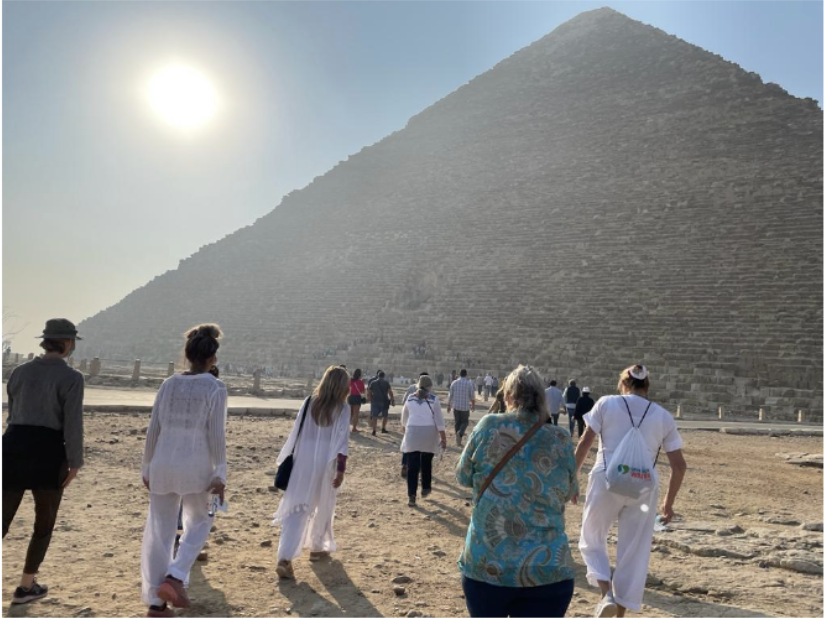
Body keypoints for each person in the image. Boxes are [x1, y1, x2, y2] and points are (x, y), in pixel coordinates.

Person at [456, 365, 577, 617]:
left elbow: (463, 475)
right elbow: (568, 491)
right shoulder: (561, 438)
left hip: (488, 565)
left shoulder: (489, 426)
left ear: (508, 396)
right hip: (548, 569)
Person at [576, 365, 687, 617]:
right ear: (647, 386)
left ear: (622, 383)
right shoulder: (662, 416)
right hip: (644, 487)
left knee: (591, 538)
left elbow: (584, 444)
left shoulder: (606, 403)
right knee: (634, 552)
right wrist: (668, 504)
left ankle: (606, 595)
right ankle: (620, 614)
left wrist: (572, 478)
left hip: (606, 480)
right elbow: (679, 466)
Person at [141, 324, 228, 618]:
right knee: (200, 523)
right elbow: (216, 435)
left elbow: (154, 429)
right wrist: (221, 472)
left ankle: (156, 603)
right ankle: (175, 576)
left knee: (159, 531)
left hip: (162, 464)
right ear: (212, 358)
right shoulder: (215, 388)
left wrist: (146, 466)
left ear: (187, 354)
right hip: (197, 467)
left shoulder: (168, 384)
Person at [3, 318, 84, 605]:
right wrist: (75, 462)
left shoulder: (19, 372)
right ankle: (26, 587)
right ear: (66, 343)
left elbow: (13, 412)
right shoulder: (72, 378)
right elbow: (73, 424)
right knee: (44, 523)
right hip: (49, 452)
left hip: (13, 446)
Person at [273, 366, 351, 580]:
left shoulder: (309, 402)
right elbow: (342, 442)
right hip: (327, 463)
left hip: (302, 462)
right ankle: (317, 547)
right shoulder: (342, 408)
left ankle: (284, 558)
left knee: (297, 508)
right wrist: (341, 470)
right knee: (324, 504)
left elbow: (294, 433)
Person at [401, 375, 447, 507]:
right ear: (429, 387)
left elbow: (404, 419)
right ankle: (426, 487)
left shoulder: (410, 398)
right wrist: (443, 437)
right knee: (426, 462)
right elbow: (439, 421)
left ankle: (411, 495)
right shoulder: (434, 399)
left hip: (413, 433)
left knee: (412, 466)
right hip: (429, 433)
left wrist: (407, 432)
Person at [400, 372, 432, 478]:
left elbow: (404, 402)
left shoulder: (411, 389)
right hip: (423, 424)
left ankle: (405, 464)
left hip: (410, 423)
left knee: (408, 445)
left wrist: (403, 424)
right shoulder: (429, 393)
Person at [447, 369, 476, 447]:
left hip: (456, 406)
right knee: (465, 422)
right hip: (465, 407)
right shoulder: (469, 384)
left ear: (459, 374)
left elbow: (450, 396)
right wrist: (473, 405)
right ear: (466, 375)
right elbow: (472, 396)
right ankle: (459, 434)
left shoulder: (454, 383)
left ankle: (458, 440)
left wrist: (448, 405)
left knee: (457, 422)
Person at [367, 370, 395, 436]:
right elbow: (390, 392)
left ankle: (374, 430)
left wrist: (370, 399)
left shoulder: (373, 383)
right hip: (384, 401)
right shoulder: (386, 383)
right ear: (384, 376)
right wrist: (392, 399)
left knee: (374, 416)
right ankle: (383, 428)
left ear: (378, 376)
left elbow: (369, 392)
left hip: (375, 401)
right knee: (385, 416)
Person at [347, 368, 367, 433]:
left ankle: (346, 427)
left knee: (350, 414)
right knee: (356, 414)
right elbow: (363, 391)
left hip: (350, 397)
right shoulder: (360, 382)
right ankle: (354, 428)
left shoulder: (350, 380)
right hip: (357, 398)